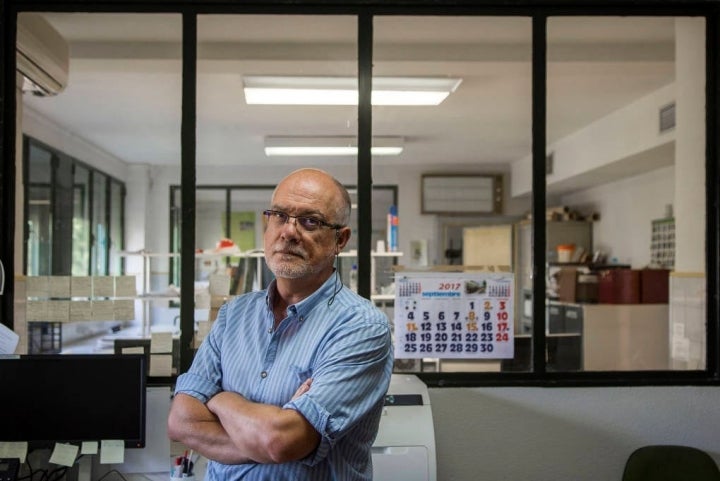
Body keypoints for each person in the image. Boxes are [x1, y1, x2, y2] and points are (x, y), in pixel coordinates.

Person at [167, 168, 394, 480]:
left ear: (339, 239)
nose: (289, 231)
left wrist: (219, 399)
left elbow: (282, 440)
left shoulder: (361, 327)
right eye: (279, 216)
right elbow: (182, 423)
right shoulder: (234, 316)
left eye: (310, 221)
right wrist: (265, 438)